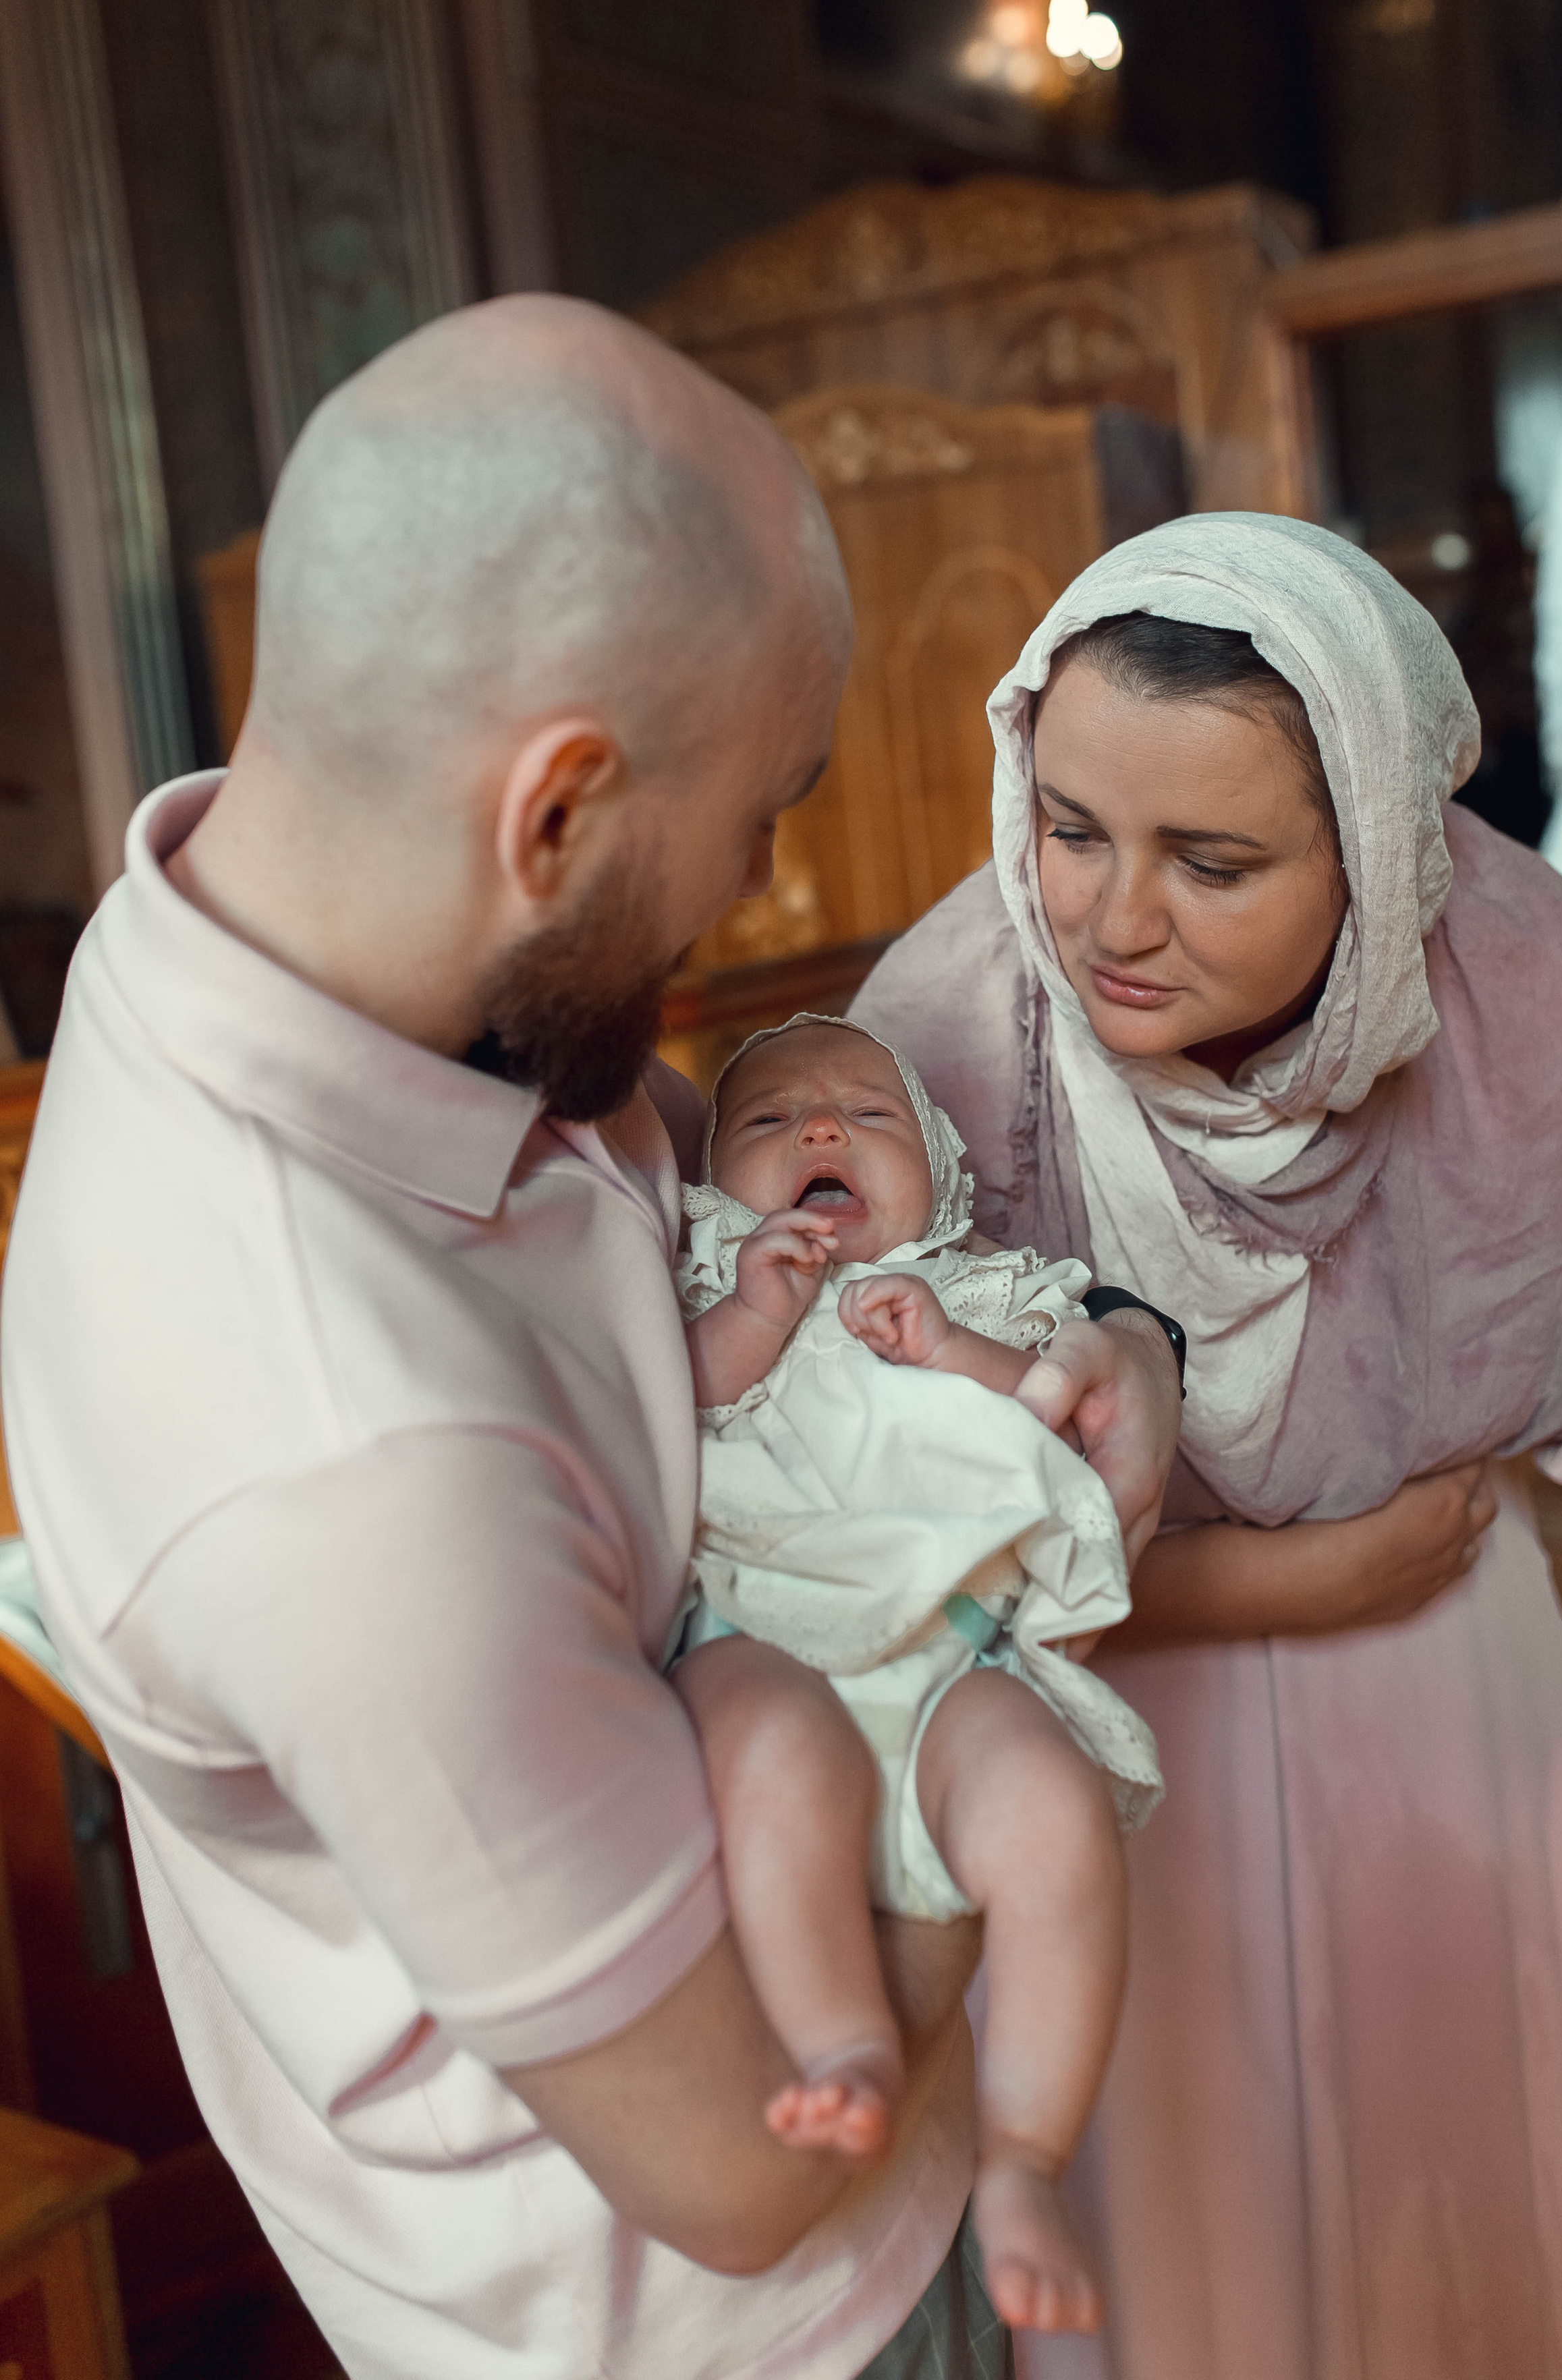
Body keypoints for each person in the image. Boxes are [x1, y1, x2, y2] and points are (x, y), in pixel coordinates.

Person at [0, 297, 1181, 2380]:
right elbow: (741, 2174)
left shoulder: (347, 938)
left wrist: (1117, 1355)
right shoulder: (350, 1471)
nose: (764, 875)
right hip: (744, 2325)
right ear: (551, 818)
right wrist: (984, 1735)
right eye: (756, 815)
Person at [854, 510, 1562, 2380]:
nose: (1108, 917)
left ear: (1384, 855)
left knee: (1452, 2205)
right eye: (1071, 827)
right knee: (1204, 2253)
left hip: (1442, 1699)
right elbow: (876, 1553)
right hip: (1109, 1755)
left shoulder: (1501, 977)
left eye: (1216, 859)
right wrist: (1283, 1579)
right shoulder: (930, 1049)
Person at [672, 1014, 1163, 2334]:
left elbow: (1043, 1411)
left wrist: (951, 1348)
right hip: (757, 1645)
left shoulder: (977, 1287)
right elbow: (662, 1408)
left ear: (940, 1183)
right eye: (769, 1123)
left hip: (943, 1659)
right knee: (769, 1767)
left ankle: (1023, 2161)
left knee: (1054, 1820)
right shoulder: (705, 1278)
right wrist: (755, 1312)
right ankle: (844, 2037)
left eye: (864, 1116)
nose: (819, 1128)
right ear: (712, 1184)